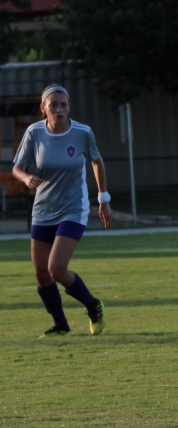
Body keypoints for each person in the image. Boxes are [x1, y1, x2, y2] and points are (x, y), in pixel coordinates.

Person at [13, 85, 112, 338]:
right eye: (53, 105)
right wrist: (26, 178)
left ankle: (93, 305)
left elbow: (96, 161)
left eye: (63, 105)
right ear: (43, 108)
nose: (59, 109)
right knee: (41, 273)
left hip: (73, 208)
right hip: (43, 209)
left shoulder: (82, 132)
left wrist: (103, 199)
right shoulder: (34, 132)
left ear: (69, 108)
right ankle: (60, 325)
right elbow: (17, 168)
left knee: (56, 269)